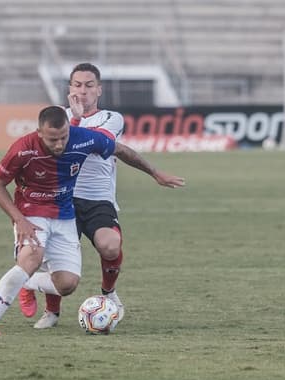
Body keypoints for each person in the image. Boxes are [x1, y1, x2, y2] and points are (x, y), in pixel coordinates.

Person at [0, 106, 183, 336]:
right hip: (31, 213)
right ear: (39, 133)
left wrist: (155, 173)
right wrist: (19, 220)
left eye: (63, 137)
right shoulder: (23, 148)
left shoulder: (83, 139)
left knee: (67, 285)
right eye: (53, 139)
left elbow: (121, 151)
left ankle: (27, 283)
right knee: (31, 257)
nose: (59, 144)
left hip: (64, 215)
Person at [17, 63, 185, 329]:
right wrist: (73, 118)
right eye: (77, 85)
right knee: (60, 267)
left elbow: (95, 142)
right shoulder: (55, 116)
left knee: (110, 245)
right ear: (69, 88)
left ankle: (109, 293)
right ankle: (51, 310)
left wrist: (154, 173)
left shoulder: (111, 118)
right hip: (61, 197)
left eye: (89, 85)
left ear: (99, 90)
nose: (83, 91)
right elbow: (45, 150)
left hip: (98, 198)